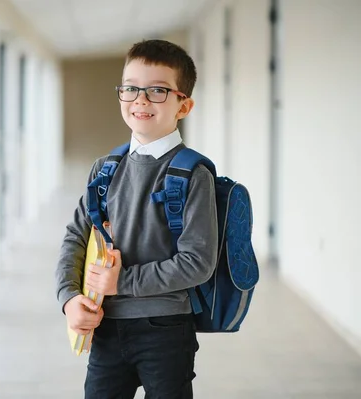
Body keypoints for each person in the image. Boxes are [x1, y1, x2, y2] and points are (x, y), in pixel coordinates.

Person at [55, 39, 218, 399]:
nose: (140, 100)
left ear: (184, 105)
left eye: (158, 90)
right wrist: (68, 299)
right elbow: (75, 239)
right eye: (130, 88)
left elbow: (198, 262)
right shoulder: (105, 169)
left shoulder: (193, 175)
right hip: (106, 327)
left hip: (165, 328)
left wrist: (121, 282)